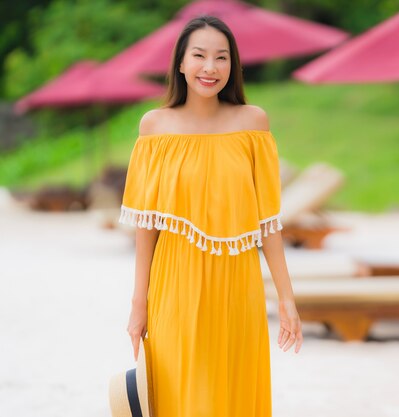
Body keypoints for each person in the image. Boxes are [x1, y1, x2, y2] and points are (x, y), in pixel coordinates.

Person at [120, 15, 303, 416]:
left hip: (238, 283)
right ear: (181, 64)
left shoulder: (253, 124)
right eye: (199, 56)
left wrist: (286, 298)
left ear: (233, 67)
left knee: (231, 390)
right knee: (179, 391)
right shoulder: (154, 128)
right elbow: (146, 225)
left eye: (222, 58)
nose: (210, 67)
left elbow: (267, 224)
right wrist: (139, 303)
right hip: (174, 282)